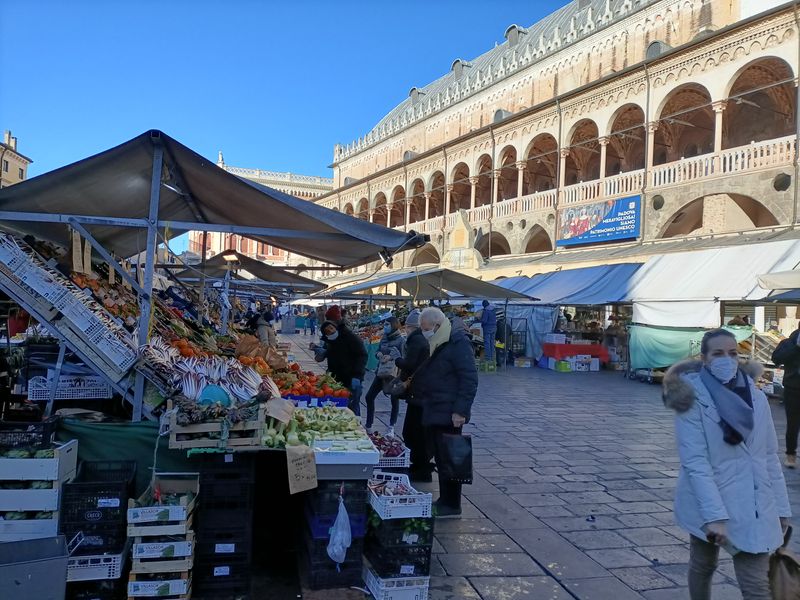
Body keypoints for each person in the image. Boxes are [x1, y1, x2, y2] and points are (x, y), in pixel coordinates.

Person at [663, 329, 790, 600]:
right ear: (705, 358)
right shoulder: (691, 397)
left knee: (756, 585)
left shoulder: (756, 396)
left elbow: (768, 456)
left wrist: (781, 508)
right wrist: (715, 517)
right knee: (703, 564)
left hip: (754, 504)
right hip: (708, 501)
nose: (727, 359)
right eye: (718, 353)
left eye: (733, 353)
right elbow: (695, 462)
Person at [411, 307, 478, 517]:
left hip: (449, 411)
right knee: (441, 457)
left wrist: (461, 411)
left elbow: (469, 379)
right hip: (435, 407)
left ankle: (451, 504)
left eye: (426, 328)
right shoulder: (440, 341)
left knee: (449, 457)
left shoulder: (457, 343)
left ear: (438, 326)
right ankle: (445, 500)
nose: (424, 333)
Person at [396, 309, 431, 482]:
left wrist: (397, 360)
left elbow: (409, 364)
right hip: (421, 393)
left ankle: (421, 469)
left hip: (419, 393)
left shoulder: (417, 340)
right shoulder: (423, 339)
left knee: (413, 432)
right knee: (416, 432)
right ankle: (420, 466)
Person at [315, 319, 367, 416]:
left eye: (331, 328)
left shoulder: (351, 338)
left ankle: (358, 426)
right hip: (336, 381)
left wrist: (357, 375)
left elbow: (362, 355)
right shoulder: (330, 341)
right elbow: (324, 356)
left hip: (352, 378)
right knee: (339, 409)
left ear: (336, 327)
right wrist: (319, 351)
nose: (331, 331)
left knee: (353, 407)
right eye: (327, 331)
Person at [363, 317, 405, 434]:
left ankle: (391, 426)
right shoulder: (384, 338)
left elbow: (403, 357)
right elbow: (377, 351)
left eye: (387, 325)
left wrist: (391, 357)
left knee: (394, 400)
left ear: (394, 326)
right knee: (369, 397)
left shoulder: (401, 340)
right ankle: (369, 424)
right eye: (385, 325)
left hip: (393, 374)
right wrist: (379, 354)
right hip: (380, 372)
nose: (385, 327)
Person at [771, 327, 800, 468]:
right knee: (793, 423)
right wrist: (795, 347)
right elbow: (776, 358)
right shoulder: (788, 342)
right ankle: (790, 454)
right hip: (793, 388)